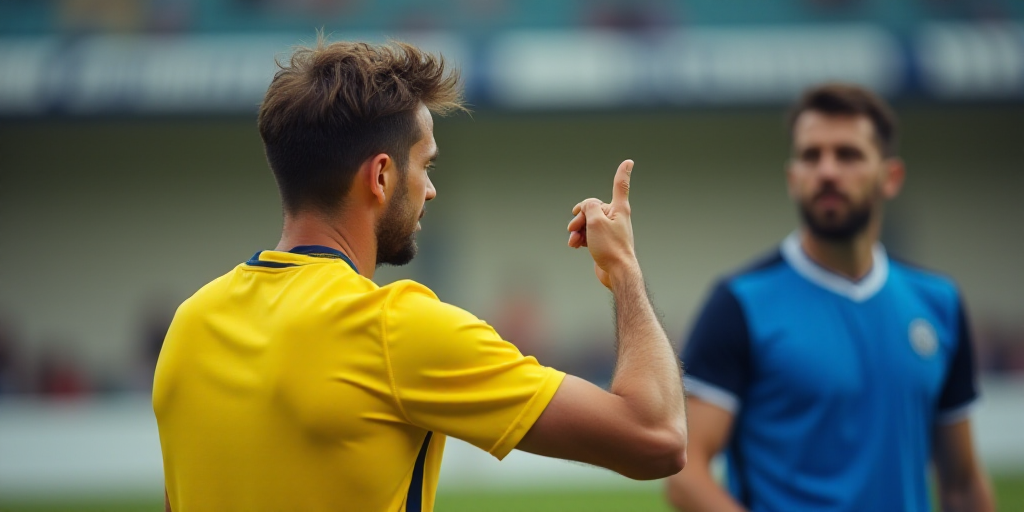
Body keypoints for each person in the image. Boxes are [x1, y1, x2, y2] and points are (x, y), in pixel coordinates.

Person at [152, 39, 687, 512]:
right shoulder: (394, 327)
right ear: (381, 175)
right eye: (425, 165)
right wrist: (623, 269)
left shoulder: (190, 325)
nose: (429, 189)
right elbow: (656, 436)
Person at [665, 84, 995, 512]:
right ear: (793, 178)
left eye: (848, 155)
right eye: (811, 156)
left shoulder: (939, 304)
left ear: (890, 176)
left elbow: (962, 483)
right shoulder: (741, 303)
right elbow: (686, 474)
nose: (827, 171)